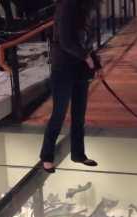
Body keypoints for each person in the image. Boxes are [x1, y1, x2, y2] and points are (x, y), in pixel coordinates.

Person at [40, 0, 100, 173]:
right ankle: (47, 156)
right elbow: (65, 41)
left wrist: (96, 63)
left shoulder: (88, 6)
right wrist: (87, 58)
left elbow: (88, 42)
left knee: (79, 114)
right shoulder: (66, 5)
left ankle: (78, 154)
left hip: (80, 68)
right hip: (64, 68)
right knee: (59, 113)